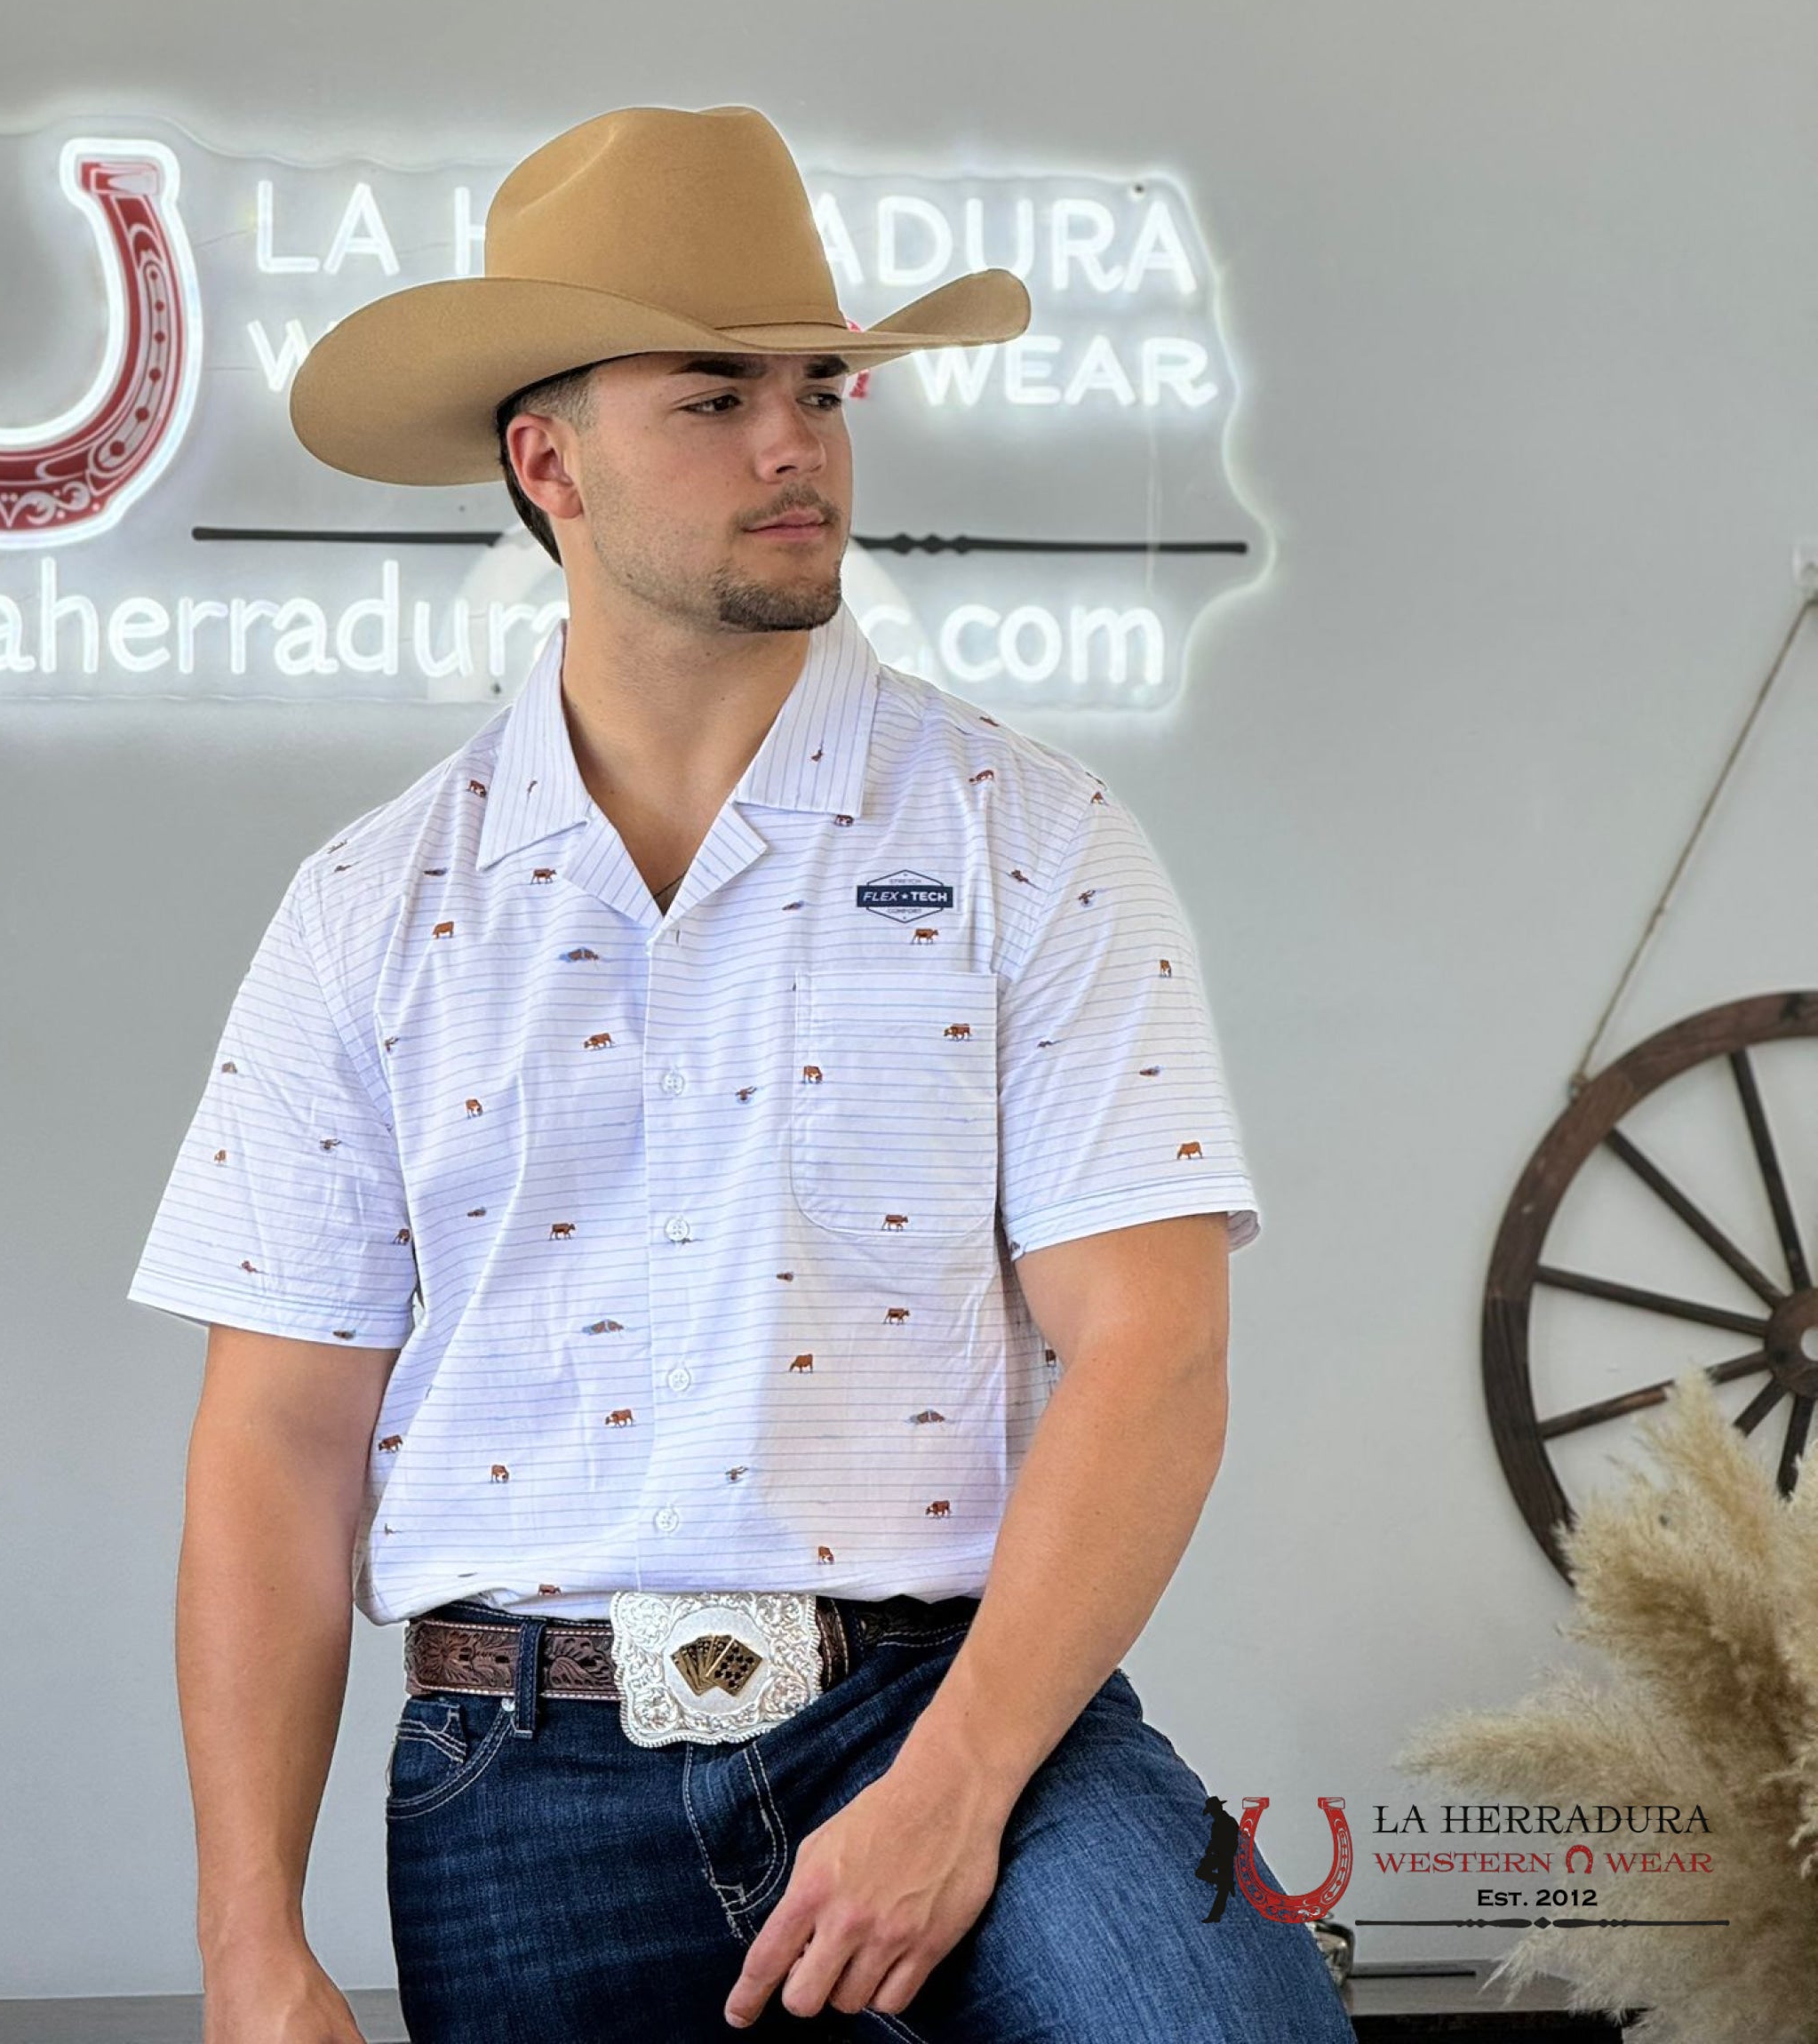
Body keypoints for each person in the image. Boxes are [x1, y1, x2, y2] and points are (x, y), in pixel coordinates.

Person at [128, 103, 1352, 2042]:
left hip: (952, 1704)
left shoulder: (1033, 839)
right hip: (516, 1769)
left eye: (822, 387)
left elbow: (1154, 1350)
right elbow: (277, 1445)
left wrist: (949, 1792)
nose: (795, 442)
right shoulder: (366, 913)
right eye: (712, 397)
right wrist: (248, 1945)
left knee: (1216, 2021)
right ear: (551, 465)